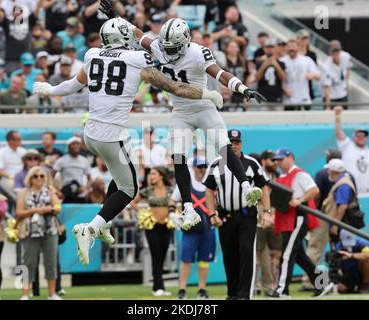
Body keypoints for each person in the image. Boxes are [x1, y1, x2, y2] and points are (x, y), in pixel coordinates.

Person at [32, 17, 223, 265]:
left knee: (118, 177)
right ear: (125, 38)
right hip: (113, 135)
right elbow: (174, 87)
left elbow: (72, 86)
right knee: (130, 188)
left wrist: (49, 89)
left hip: (90, 134)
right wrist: (207, 93)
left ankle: (105, 223)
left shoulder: (91, 55)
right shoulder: (138, 60)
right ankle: (90, 228)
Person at [126, 12, 266, 230]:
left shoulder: (198, 53)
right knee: (179, 158)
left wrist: (243, 88)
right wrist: (115, 17)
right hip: (180, 111)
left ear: (185, 43)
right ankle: (188, 207)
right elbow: (137, 34)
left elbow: (221, 74)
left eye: (172, 48)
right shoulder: (159, 46)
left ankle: (247, 187)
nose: (167, 51)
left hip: (203, 107)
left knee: (223, 148)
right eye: (166, 47)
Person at [203, 130, 273, 300]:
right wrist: (212, 214)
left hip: (246, 215)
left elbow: (263, 187)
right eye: (231, 142)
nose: (234, 146)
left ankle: (244, 294)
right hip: (225, 216)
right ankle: (232, 293)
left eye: (236, 142)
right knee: (229, 254)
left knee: (246, 251)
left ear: (241, 144)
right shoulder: (216, 164)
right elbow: (209, 190)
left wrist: (266, 211)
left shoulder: (251, 163)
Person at [271, 147, 333, 298]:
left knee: (286, 254)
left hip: (297, 218)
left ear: (290, 157)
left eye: (281, 159)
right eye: (277, 160)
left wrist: (300, 200)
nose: (279, 163)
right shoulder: (282, 177)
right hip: (287, 218)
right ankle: (323, 283)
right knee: (299, 257)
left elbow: (314, 190)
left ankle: (282, 290)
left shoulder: (300, 174)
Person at [300, 149, 344, 291]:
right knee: (341, 250)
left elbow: (316, 195)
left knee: (315, 249)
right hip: (342, 217)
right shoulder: (347, 175)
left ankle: (309, 281)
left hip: (323, 216)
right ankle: (340, 280)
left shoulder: (321, 173)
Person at [171, 157, 215, 299]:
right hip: (190, 230)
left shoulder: (212, 183)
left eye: (204, 167)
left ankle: (202, 289)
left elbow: (219, 202)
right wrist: (173, 215)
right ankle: (182, 289)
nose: (202, 170)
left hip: (208, 228)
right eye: (199, 167)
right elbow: (172, 200)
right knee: (186, 259)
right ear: (193, 167)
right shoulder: (185, 183)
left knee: (204, 260)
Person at [16, 166, 62, 300]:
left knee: (51, 262)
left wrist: (51, 208)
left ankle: (52, 294)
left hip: (49, 229)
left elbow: (58, 207)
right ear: (30, 178)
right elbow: (19, 213)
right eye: (36, 176)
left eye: (42, 176)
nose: (39, 179)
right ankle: (24, 294)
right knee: (28, 263)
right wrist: (36, 210)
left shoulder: (50, 191)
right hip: (30, 231)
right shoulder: (24, 192)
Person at [131, 167, 176, 296]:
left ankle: (158, 286)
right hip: (152, 226)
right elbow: (133, 202)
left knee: (162, 254)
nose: (151, 176)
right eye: (150, 174)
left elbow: (178, 201)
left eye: (154, 174)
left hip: (167, 226)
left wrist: (175, 213)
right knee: (156, 255)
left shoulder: (171, 190)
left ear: (161, 176)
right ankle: (158, 288)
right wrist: (143, 212)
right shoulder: (148, 190)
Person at [334, 106, 369, 194]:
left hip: (367, 192)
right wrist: (337, 116)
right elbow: (339, 133)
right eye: (358, 136)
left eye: (363, 136)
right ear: (354, 137)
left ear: (366, 138)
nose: (361, 138)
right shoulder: (347, 147)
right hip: (350, 191)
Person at [255, 150, 281, 296]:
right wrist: (263, 215)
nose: (275, 163)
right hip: (259, 219)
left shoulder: (278, 177)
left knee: (276, 254)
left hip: (275, 219)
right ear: (264, 161)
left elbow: (281, 200)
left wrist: (273, 216)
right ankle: (255, 285)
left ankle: (273, 286)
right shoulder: (256, 175)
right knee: (257, 254)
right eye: (272, 160)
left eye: (276, 160)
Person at [0, 1, 41, 73]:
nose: (18, 13)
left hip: (27, 59)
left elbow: (37, 9)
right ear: (12, 13)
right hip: (11, 59)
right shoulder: (7, 23)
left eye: (20, 11)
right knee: (13, 81)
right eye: (16, 11)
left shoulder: (29, 22)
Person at [322, 159, 364, 236]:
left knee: (342, 246)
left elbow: (343, 206)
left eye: (329, 170)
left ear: (332, 171)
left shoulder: (343, 185)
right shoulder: (344, 181)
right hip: (344, 224)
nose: (328, 172)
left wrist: (336, 224)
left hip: (344, 225)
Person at [281, 39, 320, 110]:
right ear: (286, 48)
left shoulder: (306, 60)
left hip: (303, 100)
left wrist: (312, 74)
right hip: (288, 101)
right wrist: (283, 90)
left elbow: (318, 76)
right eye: (289, 46)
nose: (291, 49)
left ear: (298, 47)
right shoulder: (282, 61)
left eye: (293, 46)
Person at [52, 136, 92, 204]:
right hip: (65, 193)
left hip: (79, 192)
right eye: (73, 144)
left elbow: (90, 179)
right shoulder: (61, 160)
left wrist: (85, 188)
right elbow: (51, 176)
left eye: (78, 144)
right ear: (68, 147)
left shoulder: (84, 161)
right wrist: (57, 191)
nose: (76, 146)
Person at [255, 38, 286, 107]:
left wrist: (276, 65)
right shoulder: (260, 63)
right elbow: (257, 78)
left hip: (277, 98)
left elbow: (283, 78)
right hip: (263, 97)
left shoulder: (281, 63)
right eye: (268, 47)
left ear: (275, 48)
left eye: (272, 47)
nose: (270, 49)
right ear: (264, 49)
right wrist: (263, 66)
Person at [323, 41, 351, 110]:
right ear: (330, 53)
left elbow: (348, 69)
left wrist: (346, 83)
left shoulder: (346, 56)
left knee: (345, 117)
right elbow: (327, 87)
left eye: (337, 51)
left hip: (343, 94)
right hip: (332, 97)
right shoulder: (326, 66)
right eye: (334, 52)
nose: (336, 54)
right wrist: (328, 106)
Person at [296, 29, 317, 101]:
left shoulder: (312, 54)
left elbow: (314, 71)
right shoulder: (293, 54)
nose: (304, 40)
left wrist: (310, 74)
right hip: (295, 86)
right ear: (298, 39)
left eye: (306, 38)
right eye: (302, 38)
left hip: (307, 86)